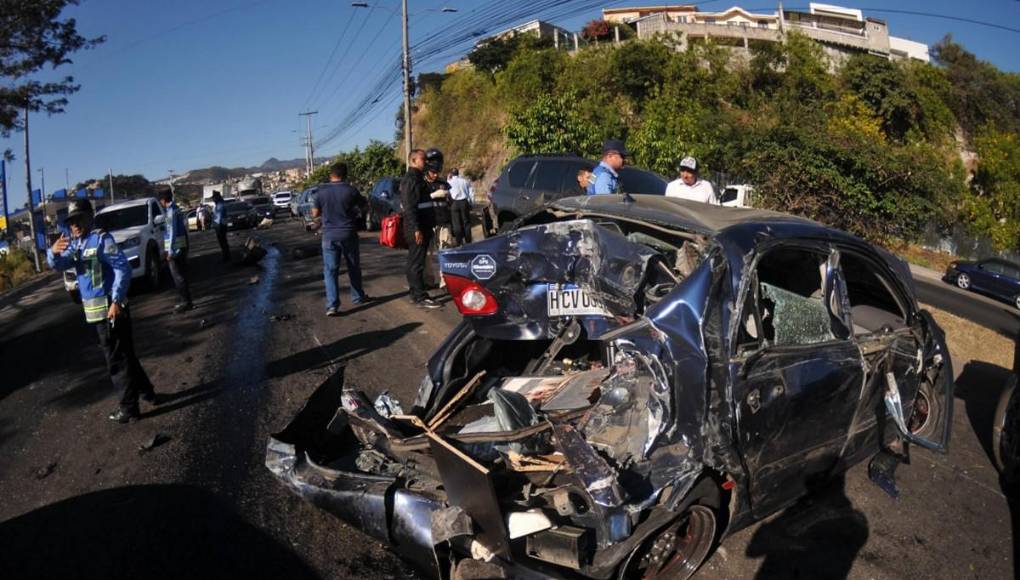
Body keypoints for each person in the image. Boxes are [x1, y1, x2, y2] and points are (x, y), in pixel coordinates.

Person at [47, 199, 157, 424]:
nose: (74, 225)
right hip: (98, 314)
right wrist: (52, 252)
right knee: (126, 355)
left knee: (117, 361)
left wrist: (116, 300)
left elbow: (122, 268)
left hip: (111, 312)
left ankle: (129, 409)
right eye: (71, 222)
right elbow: (59, 265)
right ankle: (148, 393)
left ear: (89, 217)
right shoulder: (75, 244)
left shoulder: (100, 239)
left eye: (78, 219)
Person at [311, 161, 370, 317]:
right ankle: (357, 297)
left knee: (330, 271)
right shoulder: (351, 191)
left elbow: (315, 214)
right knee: (353, 267)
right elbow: (365, 206)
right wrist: (356, 213)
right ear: (345, 175)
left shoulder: (320, 192)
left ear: (331, 175)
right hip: (349, 233)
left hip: (329, 236)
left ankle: (332, 305)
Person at [400, 148, 442, 309]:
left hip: (422, 226)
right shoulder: (411, 179)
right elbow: (409, 207)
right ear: (414, 161)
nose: (427, 162)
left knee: (416, 262)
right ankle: (419, 296)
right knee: (416, 263)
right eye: (423, 160)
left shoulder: (418, 178)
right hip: (416, 228)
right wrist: (416, 228)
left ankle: (416, 292)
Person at [158, 190, 193, 312]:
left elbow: (171, 231)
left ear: (163, 200)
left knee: (178, 277)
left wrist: (170, 252)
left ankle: (185, 302)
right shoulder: (177, 209)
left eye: (161, 200)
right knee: (182, 275)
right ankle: (188, 301)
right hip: (181, 246)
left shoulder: (170, 212)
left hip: (175, 249)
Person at [447, 168, 474, 246]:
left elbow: (447, 193)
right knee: (466, 222)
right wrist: (471, 203)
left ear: (451, 174)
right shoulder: (465, 181)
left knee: (456, 223)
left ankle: (459, 242)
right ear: (458, 173)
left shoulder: (449, 182)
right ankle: (468, 241)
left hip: (454, 203)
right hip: (464, 201)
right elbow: (471, 192)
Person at [211, 191, 230, 262]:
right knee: (223, 241)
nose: (213, 200)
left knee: (223, 241)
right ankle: (226, 256)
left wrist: (216, 225)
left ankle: (226, 257)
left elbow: (219, 216)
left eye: (213, 198)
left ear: (217, 198)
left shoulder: (220, 205)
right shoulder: (219, 204)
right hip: (220, 224)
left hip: (220, 225)